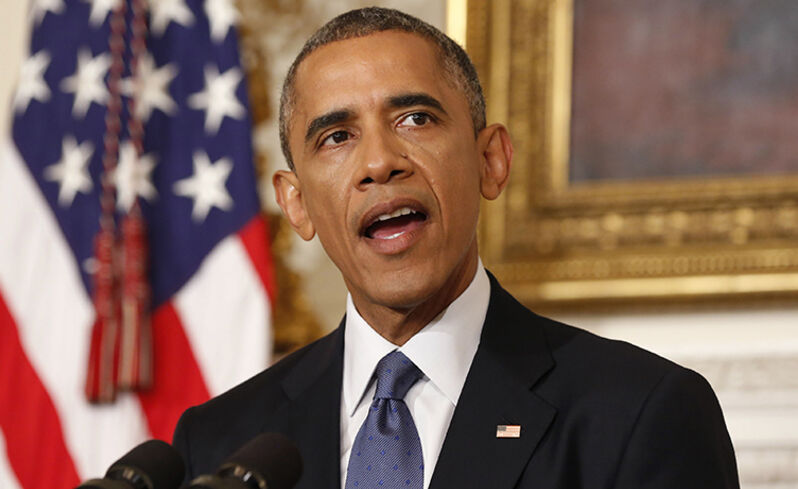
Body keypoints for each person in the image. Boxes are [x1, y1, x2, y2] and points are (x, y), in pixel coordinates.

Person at [173, 7, 740, 489]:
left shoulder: (639, 413)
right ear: (296, 204)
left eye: (415, 118)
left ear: (490, 161)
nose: (379, 163)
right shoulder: (221, 442)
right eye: (337, 136)